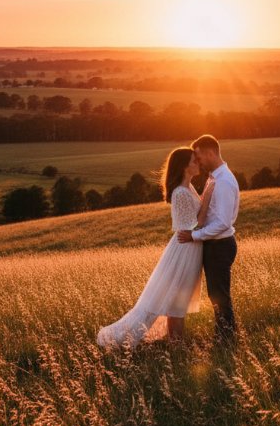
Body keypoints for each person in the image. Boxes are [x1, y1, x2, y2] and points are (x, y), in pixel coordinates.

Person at [97, 147, 215, 348]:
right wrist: (209, 194)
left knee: (178, 301)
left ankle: (176, 345)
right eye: (194, 161)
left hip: (191, 248)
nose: (198, 164)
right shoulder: (180, 192)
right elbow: (196, 226)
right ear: (185, 166)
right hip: (185, 250)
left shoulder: (189, 188)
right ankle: (175, 346)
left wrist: (203, 195)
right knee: (175, 302)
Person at [177, 134, 240, 343]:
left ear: (210, 152)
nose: (198, 162)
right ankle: (225, 336)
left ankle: (226, 340)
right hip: (215, 245)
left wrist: (194, 236)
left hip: (220, 245)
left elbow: (222, 222)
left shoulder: (222, 182)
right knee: (217, 295)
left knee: (219, 296)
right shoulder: (216, 178)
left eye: (199, 157)